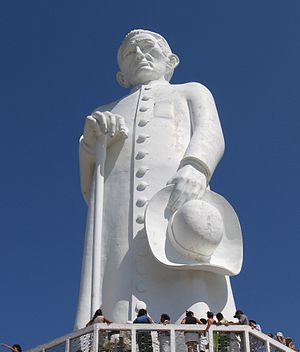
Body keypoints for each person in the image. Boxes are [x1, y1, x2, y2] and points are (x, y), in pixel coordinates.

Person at [75, 29, 241, 329]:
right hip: (119, 212)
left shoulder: (191, 91)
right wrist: (91, 141)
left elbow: (211, 132)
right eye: (130, 53)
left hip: (177, 198)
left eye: (149, 49)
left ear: (171, 60)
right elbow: (90, 184)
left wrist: (196, 167)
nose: (139, 55)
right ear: (120, 76)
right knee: (115, 283)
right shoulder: (104, 112)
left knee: (190, 279)